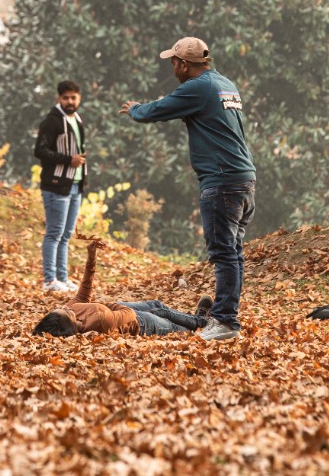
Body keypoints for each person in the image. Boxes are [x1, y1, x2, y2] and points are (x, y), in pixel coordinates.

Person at [119, 37, 254, 342]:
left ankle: (225, 321)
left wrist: (136, 109)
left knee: (224, 253)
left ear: (184, 64)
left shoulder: (198, 87)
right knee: (233, 252)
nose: (172, 68)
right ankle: (224, 316)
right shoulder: (225, 83)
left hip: (221, 181)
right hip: (243, 179)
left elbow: (161, 108)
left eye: (173, 62)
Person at [32, 239, 212, 337]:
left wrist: (91, 257)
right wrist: (110, 307)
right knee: (175, 328)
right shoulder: (98, 322)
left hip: (116, 310)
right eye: (67, 312)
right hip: (140, 324)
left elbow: (84, 291)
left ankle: (200, 321)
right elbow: (129, 314)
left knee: (158, 306)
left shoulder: (71, 309)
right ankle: (202, 328)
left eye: (62, 308)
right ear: (71, 324)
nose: (67, 307)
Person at [34, 79, 87, 292]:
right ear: (59, 99)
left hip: (75, 184)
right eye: (65, 98)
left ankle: (62, 278)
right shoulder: (52, 121)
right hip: (56, 185)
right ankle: (49, 280)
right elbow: (40, 151)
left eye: (73, 97)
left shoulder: (77, 119)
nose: (70, 101)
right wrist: (68, 160)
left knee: (66, 234)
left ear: (79, 98)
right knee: (54, 233)